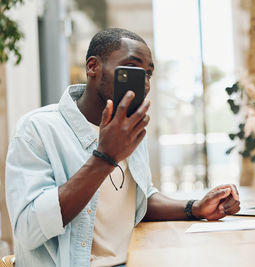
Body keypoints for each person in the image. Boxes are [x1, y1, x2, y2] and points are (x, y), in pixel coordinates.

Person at [5, 28, 240, 267]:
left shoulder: (129, 128)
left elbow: (140, 200)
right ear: (93, 67)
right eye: (132, 68)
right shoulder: (37, 129)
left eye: (148, 74)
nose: (144, 83)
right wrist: (104, 158)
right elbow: (28, 229)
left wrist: (195, 207)